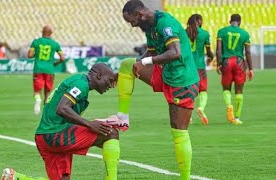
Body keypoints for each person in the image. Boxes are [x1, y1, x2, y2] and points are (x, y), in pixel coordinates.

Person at [102, 0, 199, 179]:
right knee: (126, 65)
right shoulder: (150, 28)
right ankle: (122, 118)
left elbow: (175, 52)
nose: (132, 25)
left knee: (178, 131)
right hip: (166, 74)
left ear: (139, 14)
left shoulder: (165, 23)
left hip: (182, 82)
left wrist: (145, 62)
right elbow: (152, 52)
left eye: (131, 21)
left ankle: (185, 177)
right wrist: (134, 67)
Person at [2, 63, 121, 180]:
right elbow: (62, 108)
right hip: (55, 133)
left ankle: (16, 177)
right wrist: (90, 125)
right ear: (99, 75)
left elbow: (65, 113)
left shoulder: (78, 82)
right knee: (111, 133)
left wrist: (101, 124)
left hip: (44, 136)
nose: (111, 85)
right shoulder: (81, 84)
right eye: (109, 80)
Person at [216, 14, 254, 125]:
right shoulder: (245, 34)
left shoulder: (221, 32)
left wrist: (218, 64)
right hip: (239, 62)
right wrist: (250, 68)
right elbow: (247, 52)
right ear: (240, 22)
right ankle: (237, 118)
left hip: (226, 62)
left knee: (226, 89)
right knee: (239, 91)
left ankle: (229, 105)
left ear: (230, 21)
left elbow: (218, 50)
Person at [28, 25, 65, 116]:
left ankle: (37, 99)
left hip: (38, 69)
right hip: (50, 70)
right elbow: (62, 58)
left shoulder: (36, 42)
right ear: (51, 33)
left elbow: (29, 55)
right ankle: (46, 112)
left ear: (42, 32)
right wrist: (55, 63)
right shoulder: (55, 44)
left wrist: (37, 54)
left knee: (37, 91)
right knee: (48, 92)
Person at [186, 14, 214, 125]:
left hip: (187, 67)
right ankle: (201, 108)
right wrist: (211, 58)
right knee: (203, 90)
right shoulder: (205, 34)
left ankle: (188, 116)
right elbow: (209, 52)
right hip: (200, 67)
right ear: (199, 21)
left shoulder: (183, 32)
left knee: (188, 91)